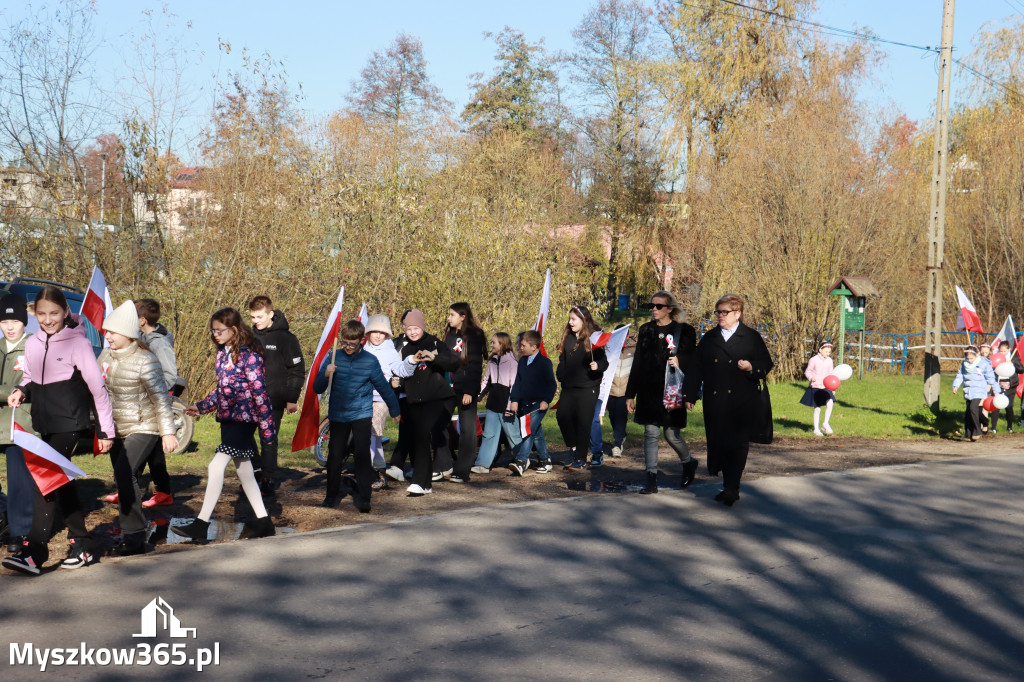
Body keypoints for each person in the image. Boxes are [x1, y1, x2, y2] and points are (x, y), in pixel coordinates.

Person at [3, 286, 115, 576]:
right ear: (35, 315)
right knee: (62, 482)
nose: (48, 319)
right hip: (45, 423)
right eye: (41, 314)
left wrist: (106, 431)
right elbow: (29, 377)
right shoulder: (33, 343)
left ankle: (34, 552)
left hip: (71, 422)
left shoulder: (77, 343)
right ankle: (84, 543)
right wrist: (19, 390)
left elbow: (97, 387)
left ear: (66, 312)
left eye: (54, 313)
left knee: (47, 479)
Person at [172, 308, 276, 542]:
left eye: (220, 331)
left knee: (215, 465)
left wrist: (267, 428)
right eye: (213, 331)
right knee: (245, 470)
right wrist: (202, 406)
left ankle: (200, 524)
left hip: (245, 419)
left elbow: (259, 393)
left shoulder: (251, 356)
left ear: (234, 329)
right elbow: (222, 390)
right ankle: (264, 521)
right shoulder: (223, 354)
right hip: (228, 418)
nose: (215, 335)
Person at [97, 301, 179, 557]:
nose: (106, 336)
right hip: (117, 427)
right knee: (123, 477)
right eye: (105, 331)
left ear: (128, 333)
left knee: (125, 471)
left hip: (145, 425)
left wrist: (168, 432)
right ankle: (133, 530)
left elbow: (161, 399)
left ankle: (133, 536)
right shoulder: (105, 356)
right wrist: (101, 429)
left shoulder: (146, 360)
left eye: (111, 331)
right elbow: (98, 392)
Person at [683, 294, 773, 507]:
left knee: (738, 444)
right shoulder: (710, 338)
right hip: (715, 401)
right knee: (719, 441)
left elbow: (766, 363)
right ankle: (726, 480)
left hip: (743, 400)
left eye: (725, 312)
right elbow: (696, 367)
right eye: (718, 312)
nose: (720, 316)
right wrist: (690, 394)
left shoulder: (751, 337)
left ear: (738, 314)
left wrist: (751, 367)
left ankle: (731, 487)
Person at [313, 320, 402, 511]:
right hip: (338, 414)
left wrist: (395, 410)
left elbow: (383, 387)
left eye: (352, 344)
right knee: (335, 455)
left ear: (362, 340)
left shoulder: (369, 361)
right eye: (344, 343)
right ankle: (331, 495)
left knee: (362, 455)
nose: (348, 347)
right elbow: (316, 387)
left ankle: (364, 498)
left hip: (361, 413)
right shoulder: (334, 357)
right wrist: (325, 374)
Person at [626, 291, 699, 495]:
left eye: (659, 306)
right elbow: (638, 362)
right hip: (649, 390)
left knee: (671, 434)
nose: (654, 310)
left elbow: (693, 359)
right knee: (650, 432)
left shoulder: (683, 331)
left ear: (670, 309)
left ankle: (688, 462)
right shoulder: (646, 330)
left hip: (672, 390)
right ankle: (651, 479)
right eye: (652, 306)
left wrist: (680, 361)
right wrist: (630, 394)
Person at [396, 310, 461, 496]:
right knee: (420, 440)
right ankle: (424, 484)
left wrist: (435, 358)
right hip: (415, 399)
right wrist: (397, 382)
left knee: (423, 435)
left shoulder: (433, 343)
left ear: (422, 327)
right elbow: (403, 373)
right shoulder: (405, 348)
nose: (413, 332)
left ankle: (419, 481)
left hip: (437, 398)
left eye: (416, 328)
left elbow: (453, 362)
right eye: (409, 329)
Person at [249, 295, 305, 494]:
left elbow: (297, 370)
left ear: (270, 314)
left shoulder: (286, 338)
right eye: (253, 317)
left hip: (274, 399)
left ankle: (267, 479)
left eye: (260, 316)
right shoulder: (248, 337)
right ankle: (254, 472)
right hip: (248, 399)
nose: (256, 321)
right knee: (245, 438)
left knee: (268, 439)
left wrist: (292, 398)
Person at [436, 302, 486, 484]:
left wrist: (470, 391)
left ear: (463, 316)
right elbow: (444, 360)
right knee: (439, 425)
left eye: (452, 315)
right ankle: (444, 464)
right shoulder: (449, 335)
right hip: (447, 389)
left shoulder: (474, 335)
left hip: (465, 389)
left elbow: (474, 365)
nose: (449, 318)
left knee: (467, 430)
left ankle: (462, 470)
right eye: (448, 314)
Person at [0, 293, 34, 554]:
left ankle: (20, 532)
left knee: (19, 480)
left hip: (20, 421)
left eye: (14, 320)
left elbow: (26, 384)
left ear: (24, 322)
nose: (9, 326)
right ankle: (3, 518)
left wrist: (10, 390)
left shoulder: (33, 347)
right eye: (4, 320)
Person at [556, 306, 608, 470]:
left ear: (583, 320)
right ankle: (573, 448)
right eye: (569, 319)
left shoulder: (594, 339)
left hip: (588, 387)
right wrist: (561, 375)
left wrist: (597, 365)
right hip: (569, 387)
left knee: (584, 423)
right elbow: (562, 360)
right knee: (562, 415)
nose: (570, 322)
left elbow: (604, 363)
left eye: (574, 319)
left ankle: (580, 458)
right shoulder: (568, 338)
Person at [363, 314, 408, 488]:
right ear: (368, 332)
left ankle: (378, 471)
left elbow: (400, 369)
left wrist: (409, 363)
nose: (378, 335)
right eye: (374, 331)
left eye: (382, 333)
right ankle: (367, 469)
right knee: (364, 435)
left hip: (381, 398)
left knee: (374, 433)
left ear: (387, 334)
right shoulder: (363, 350)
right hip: (362, 398)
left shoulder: (390, 351)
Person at [508, 330, 557, 476]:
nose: (520, 348)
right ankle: (545, 460)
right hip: (525, 403)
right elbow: (518, 382)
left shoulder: (544, 363)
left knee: (527, 431)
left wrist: (546, 400)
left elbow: (551, 384)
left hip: (538, 405)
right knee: (535, 434)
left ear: (534, 346)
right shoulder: (522, 361)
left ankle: (521, 461)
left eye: (523, 345)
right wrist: (515, 400)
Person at [474, 332, 522, 473]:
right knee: (489, 435)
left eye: (494, 342)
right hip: (492, 405)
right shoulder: (491, 361)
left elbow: (514, 387)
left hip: (507, 406)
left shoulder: (513, 363)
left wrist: (510, 407)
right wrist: (478, 396)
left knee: (513, 436)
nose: (491, 344)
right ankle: (483, 464)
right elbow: (486, 382)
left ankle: (521, 460)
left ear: (502, 344)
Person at [385, 310, 415, 482]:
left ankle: (403, 465)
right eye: (406, 324)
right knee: (406, 429)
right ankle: (400, 465)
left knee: (414, 430)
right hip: (400, 394)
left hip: (419, 394)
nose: (409, 329)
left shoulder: (425, 343)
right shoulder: (394, 343)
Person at [952, 345, 1002, 442]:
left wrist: (996, 390)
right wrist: (956, 385)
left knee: (973, 408)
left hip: (979, 390)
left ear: (976, 355)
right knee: (968, 413)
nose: (970, 360)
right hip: (968, 390)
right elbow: (960, 375)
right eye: (968, 358)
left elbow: (991, 378)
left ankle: (977, 430)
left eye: (972, 358)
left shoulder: (983, 363)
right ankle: (968, 433)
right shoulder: (964, 363)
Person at [601, 328, 636, 460]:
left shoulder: (634, 349)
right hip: (611, 390)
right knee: (613, 417)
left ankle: (617, 445)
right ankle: (621, 435)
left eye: (625, 336)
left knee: (621, 417)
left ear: (628, 336)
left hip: (625, 392)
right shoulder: (610, 348)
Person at [800, 341, 836, 436]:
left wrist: (833, 388)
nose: (827, 354)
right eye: (826, 351)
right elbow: (808, 371)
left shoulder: (829, 361)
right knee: (817, 408)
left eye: (829, 352)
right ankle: (816, 429)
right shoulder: (814, 360)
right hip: (816, 386)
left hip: (826, 386)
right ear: (820, 350)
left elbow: (831, 374)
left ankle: (825, 423)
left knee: (830, 402)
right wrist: (811, 378)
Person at [992, 340, 1022, 434]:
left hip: (1011, 385)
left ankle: (1010, 427)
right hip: (998, 385)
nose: (1003, 353)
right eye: (1001, 351)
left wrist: (1013, 365)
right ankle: (993, 428)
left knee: (1009, 407)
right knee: (996, 406)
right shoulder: (996, 357)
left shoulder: (1014, 357)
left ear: (1009, 349)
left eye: (1004, 351)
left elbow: (1021, 369)